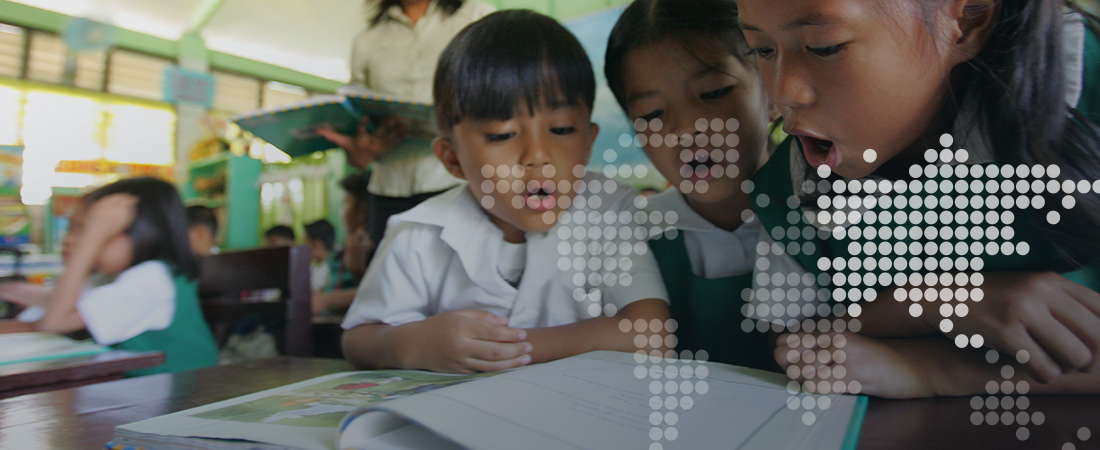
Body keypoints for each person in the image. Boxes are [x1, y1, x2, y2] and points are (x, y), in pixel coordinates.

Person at [737, 0, 1100, 397]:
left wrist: (932, 369)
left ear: (968, 19)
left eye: (824, 46)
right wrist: (931, 303)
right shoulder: (787, 190)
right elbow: (797, 346)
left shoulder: (1085, 90)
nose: (783, 92)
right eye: (762, 49)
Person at [340, 10, 671, 374]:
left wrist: (503, 350)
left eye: (561, 130)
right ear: (452, 159)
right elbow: (358, 339)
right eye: (502, 135)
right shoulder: (418, 232)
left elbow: (651, 335)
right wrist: (414, 344)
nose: (538, 157)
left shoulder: (608, 208)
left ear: (588, 142)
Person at [604, 0, 776, 369]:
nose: (684, 128)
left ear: (775, 90)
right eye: (651, 114)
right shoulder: (635, 240)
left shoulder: (834, 211)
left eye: (713, 92)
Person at [318, 0, 496, 251]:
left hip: (464, 181)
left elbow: (503, 92)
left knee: (468, 283)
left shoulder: (476, 16)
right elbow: (360, 115)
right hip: (389, 191)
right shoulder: (367, 40)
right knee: (394, 286)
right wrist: (360, 151)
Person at [0, 177, 218, 376]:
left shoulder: (152, 278)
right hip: (146, 390)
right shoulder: (115, 277)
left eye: (86, 230)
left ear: (143, 232)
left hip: (182, 398)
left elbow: (56, 320)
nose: (72, 240)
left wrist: (91, 241)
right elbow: (65, 304)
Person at [304, 219, 338, 293]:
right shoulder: (320, 267)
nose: (303, 249)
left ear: (317, 244)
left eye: (306, 243)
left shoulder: (330, 270)